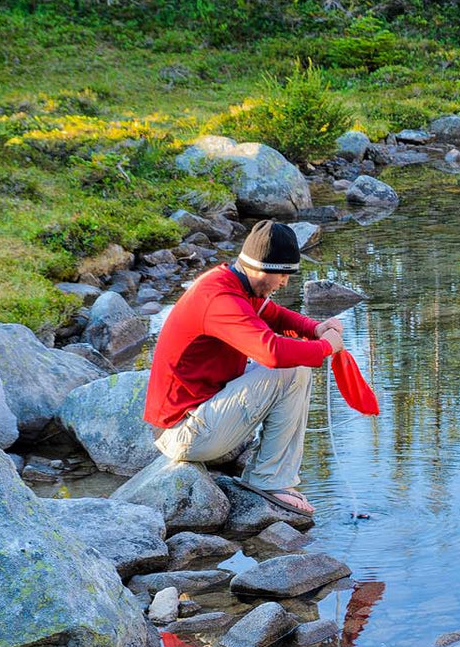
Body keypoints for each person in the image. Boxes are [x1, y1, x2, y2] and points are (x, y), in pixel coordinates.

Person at [143, 219, 342, 516]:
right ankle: (268, 480)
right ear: (262, 269)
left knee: (295, 367)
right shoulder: (220, 298)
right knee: (290, 370)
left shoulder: (236, 282)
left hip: (199, 413)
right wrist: (326, 347)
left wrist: (316, 328)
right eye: (284, 274)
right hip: (182, 433)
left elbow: (275, 315)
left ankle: (270, 474)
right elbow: (272, 352)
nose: (285, 282)